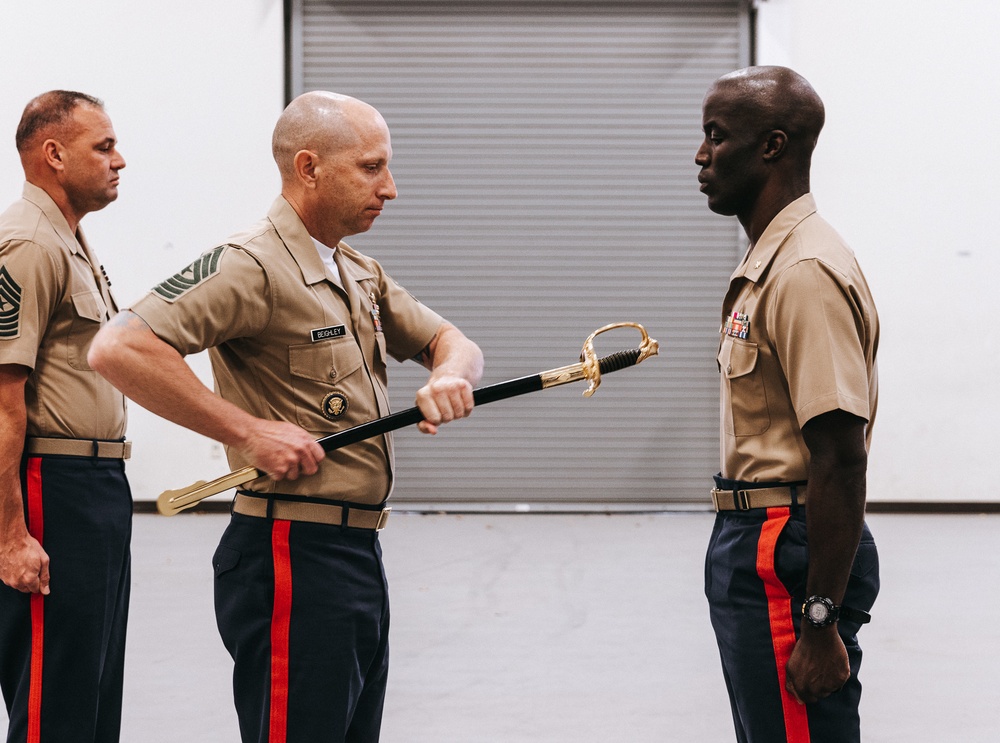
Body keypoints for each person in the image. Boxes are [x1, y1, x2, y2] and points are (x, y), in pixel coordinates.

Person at [89, 91, 483, 743]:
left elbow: (454, 341)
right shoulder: (252, 265)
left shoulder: (357, 270)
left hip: (356, 550)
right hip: (291, 554)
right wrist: (245, 432)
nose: (390, 188)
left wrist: (447, 374)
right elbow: (118, 344)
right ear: (309, 168)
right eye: (370, 167)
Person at [696, 66, 880, 742]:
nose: (701, 154)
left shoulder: (803, 272)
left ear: (772, 146)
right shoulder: (772, 261)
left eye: (717, 136)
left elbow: (838, 453)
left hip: (787, 549)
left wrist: (820, 617)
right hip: (756, 538)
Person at [0, 91, 131, 742]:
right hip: (52, 489)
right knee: (55, 702)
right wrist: (10, 535)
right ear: (53, 154)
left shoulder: (71, 240)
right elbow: (1, 400)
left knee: (92, 690)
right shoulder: (27, 243)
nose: (120, 160)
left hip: (96, 489)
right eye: (103, 147)